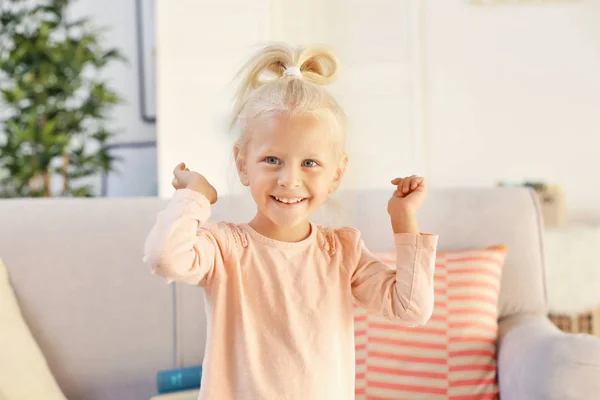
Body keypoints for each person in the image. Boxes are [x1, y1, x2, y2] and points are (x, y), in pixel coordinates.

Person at [143, 43, 438, 400]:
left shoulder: (342, 252)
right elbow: (165, 258)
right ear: (242, 163)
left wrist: (404, 219)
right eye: (272, 159)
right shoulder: (224, 248)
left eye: (309, 163)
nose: (289, 180)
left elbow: (410, 309)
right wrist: (195, 197)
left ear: (336, 173)